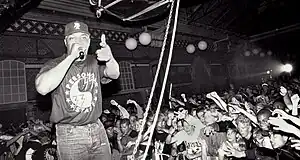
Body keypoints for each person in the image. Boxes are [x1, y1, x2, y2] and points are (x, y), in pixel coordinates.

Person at [35, 21, 120, 160]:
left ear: (89, 40)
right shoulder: (55, 64)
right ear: (65, 42)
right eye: (72, 38)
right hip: (70, 134)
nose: (79, 42)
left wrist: (110, 58)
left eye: (83, 37)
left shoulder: (94, 61)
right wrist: (71, 57)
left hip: (97, 128)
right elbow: (42, 88)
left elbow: (114, 74)